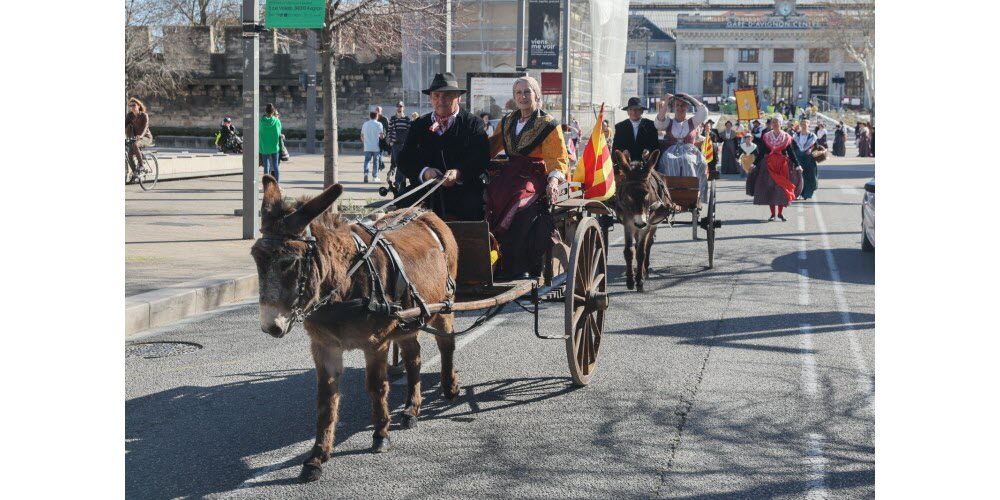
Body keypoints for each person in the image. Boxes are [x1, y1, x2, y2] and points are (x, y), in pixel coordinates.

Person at [486, 75, 569, 280]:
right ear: (514, 97)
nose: (523, 96)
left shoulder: (548, 124)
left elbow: (557, 157)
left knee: (520, 202)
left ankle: (517, 263)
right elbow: (489, 147)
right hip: (509, 173)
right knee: (487, 197)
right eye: (518, 92)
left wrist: (553, 181)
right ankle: (490, 257)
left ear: (537, 95)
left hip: (534, 174)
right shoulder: (507, 121)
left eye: (527, 91)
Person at [398, 72, 489, 221]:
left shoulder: (473, 124)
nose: (441, 100)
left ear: (458, 97)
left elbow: (481, 157)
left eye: (447, 95)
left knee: (471, 212)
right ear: (431, 98)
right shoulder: (419, 125)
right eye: (436, 95)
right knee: (403, 211)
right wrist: (425, 172)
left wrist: (458, 173)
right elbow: (405, 158)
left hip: (463, 191)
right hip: (427, 191)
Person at [655, 92, 711, 202]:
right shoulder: (669, 122)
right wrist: (666, 103)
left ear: (687, 107)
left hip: (690, 151)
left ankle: (692, 190)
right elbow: (658, 123)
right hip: (671, 151)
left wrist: (689, 97)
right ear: (674, 107)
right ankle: (669, 190)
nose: (680, 108)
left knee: (688, 160)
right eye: (677, 105)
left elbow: (704, 112)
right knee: (669, 160)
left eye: (683, 105)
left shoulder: (693, 122)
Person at [747, 114, 802, 221]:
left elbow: (791, 153)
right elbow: (762, 152)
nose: (775, 124)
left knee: (781, 189)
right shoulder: (766, 136)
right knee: (770, 189)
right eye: (774, 122)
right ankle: (773, 214)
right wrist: (754, 164)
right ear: (771, 124)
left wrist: (798, 165)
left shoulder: (786, 137)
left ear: (781, 124)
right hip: (769, 165)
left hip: (782, 165)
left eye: (777, 122)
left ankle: (780, 213)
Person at [613, 97, 659, 162]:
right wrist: (623, 152)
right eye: (631, 109)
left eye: (636, 109)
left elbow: (655, 146)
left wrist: (649, 152)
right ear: (628, 112)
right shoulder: (620, 127)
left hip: (644, 166)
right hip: (627, 166)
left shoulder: (651, 126)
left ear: (641, 111)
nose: (634, 112)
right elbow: (615, 148)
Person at [388, 101, 413, 193]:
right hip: (395, 144)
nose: (399, 108)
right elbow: (389, 130)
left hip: (404, 144)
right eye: (398, 106)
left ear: (404, 107)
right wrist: (391, 141)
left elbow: (410, 131)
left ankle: (400, 182)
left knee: (402, 163)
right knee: (398, 163)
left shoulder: (406, 119)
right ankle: (399, 182)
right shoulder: (393, 119)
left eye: (401, 106)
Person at [792, 119, 819, 200]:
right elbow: (792, 146)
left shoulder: (812, 136)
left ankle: (807, 193)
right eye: (802, 124)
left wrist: (810, 150)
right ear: (800, 125)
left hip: (809, 159)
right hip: (798, 158)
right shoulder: (796, 135)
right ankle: (797, 193)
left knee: (809, 175)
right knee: (798, 176)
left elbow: (816, 146)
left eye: (806, 124)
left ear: (809, 125)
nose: (804, 125)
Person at [125, 97, 153, 171]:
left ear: (138, 106)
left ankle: (141, 165)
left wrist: (141, 136)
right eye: (130, 105)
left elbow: (145, 127)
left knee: (135, 145)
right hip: (136, 138)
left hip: (146, 137)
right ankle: (135, 173)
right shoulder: (129, 116)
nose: (132, 107)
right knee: (129, 155)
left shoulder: (144, 115)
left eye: (134, 105)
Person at [259, 103, 282, 181]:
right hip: (274, 146)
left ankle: (266, 185)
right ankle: (277, 184)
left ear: (266, 111)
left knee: (266, 166)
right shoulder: (277, 121)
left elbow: (258, 131)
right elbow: (279, 133)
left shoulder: (261, 121)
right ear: (273, 112)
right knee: (275, 166)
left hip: (264, 146)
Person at [361, 111, 385, 183]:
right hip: (376, 146)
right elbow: (381, 136)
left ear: (370, 116)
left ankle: (366, 173)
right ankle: (375, 177)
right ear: (376, 116)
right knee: (376, 162)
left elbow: (362, 135)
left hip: (367, 146)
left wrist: (364, 142)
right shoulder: (379, 124)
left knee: (367, 160)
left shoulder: (365, 124)